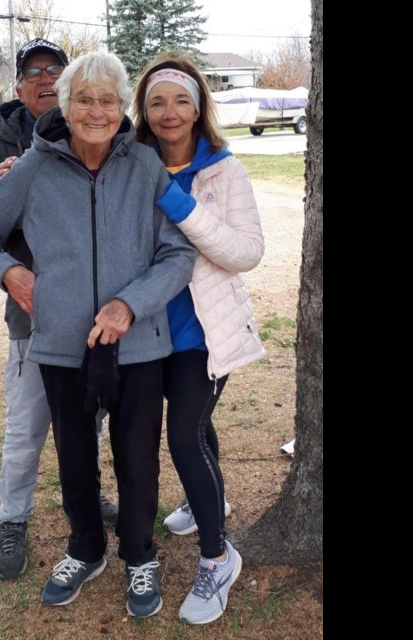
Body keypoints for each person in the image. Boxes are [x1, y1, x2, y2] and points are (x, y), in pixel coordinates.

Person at [0, 51, 196, 618]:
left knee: (137, 457)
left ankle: (139, 555)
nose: (95, 110)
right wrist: (9, 271)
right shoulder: (32, 168)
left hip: (137, 343)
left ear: (121, 108)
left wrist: (128, 305)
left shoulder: (144, 167)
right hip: (62, 344)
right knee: (74, 458)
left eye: (107, 100)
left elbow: (178, 252)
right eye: (83, 99)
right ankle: (86, 548)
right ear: (66, 105)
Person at [0, 38, 118, 583]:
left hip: (95, 319)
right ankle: (13, 519)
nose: (46, 77)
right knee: (28, 425)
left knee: (89, 419)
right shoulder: (3, 148)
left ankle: (89, 496)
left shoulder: (94, 134)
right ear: (20, 86)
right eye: (34, 71)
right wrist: (11, 271)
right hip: (34, 318)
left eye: (56, 68)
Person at [132, 52, 266, 625]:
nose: (169, 113)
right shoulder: (130, 163)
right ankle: (202, 495)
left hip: (204, 336)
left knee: (184, 435)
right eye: (157, 101)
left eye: (181, 100)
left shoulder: (224, 170)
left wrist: (180, 202)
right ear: (142, 109)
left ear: (198, 107)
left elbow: (247, 253)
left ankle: (218, 556)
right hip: (148, 333)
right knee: (197, 428)